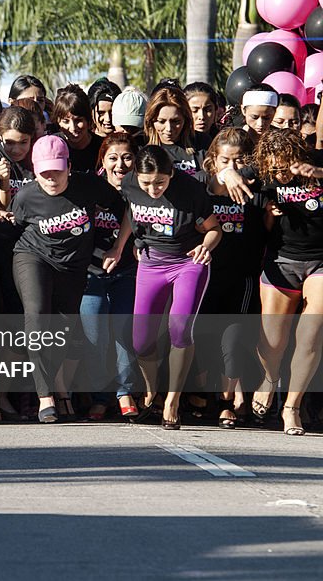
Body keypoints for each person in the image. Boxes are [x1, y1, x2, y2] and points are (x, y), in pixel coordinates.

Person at [10, 135, 127, 423]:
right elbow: (15, 227)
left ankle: (55, 386)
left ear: (69, 167)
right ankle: (44, 396)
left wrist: (118, 247)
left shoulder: (88, 185)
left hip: (74, 268)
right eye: (44, 173)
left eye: (57, 171)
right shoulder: (25, 196)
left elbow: (126, 210)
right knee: (36, 316)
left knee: (61, 330)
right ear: (34, 171)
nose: (51, 178)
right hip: (33, 257)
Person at [115, 145, 221, 430]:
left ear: (171, 174)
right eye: (146, 182)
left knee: (179, 327)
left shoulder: (190, 190)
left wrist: (205, 247)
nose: (152, 189)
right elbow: (130, 211)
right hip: (151, 262)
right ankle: (152, 390)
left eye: (160, 182)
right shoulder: (130, 183)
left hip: (188, 261)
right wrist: (120, 246)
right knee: (140, 341)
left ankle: (173, 400)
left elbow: (214, 228)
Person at [252, 128, 323, 435]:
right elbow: (217, 177)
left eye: (284, 167)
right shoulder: (265, 176)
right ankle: (269, 379)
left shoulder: (316, 163)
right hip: (281, 261)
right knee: (272, 342)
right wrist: (268, 212)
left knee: (310, 333)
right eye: (273, 170)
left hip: (320, 261)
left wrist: (317, 172)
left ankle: (291, 406)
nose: (279, 175)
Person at [196, 128, 266, 429]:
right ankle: (205, 396)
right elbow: (210, 183)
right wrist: (224, 176)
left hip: (242, 277)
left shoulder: (256, 189)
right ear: (212, 161)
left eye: (239, 162)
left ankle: (227, 402)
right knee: (203, 338)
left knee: (234, 340)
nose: (233, 168)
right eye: (225, 160)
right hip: (206, 276)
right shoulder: (203, 187)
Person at [78, 132, 139, 421]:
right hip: (91, 274)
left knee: (124, 331)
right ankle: (101, 395)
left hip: (128, 271)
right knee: (95, 334)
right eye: (113, 158)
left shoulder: (144, 189)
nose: (120, 164)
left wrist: (122, 247)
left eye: (127, 157)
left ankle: (124, 392)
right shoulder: (89, 188)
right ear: (102, 160)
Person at [143, 85, 205, 177]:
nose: (169, 128)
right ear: (151, 121)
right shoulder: (141, 146)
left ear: (186, 119)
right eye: (161, 121)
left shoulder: (201, 142)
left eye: (175, 121)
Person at [53, 84, 101, 173]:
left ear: (88, 120)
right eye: (66, 121)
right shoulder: (52, 147)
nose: (73, 128)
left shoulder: (102, 148)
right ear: (58, 121)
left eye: (78, 120)